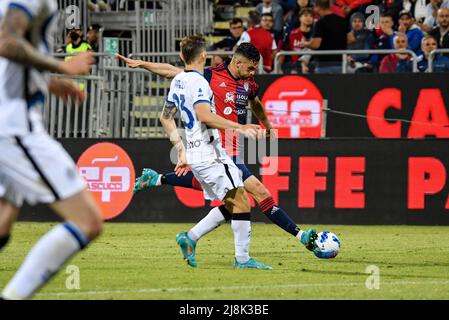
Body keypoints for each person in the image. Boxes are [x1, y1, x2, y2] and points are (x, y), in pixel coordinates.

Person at [116, 43, 318, 257]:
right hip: (215, 147)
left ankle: (164, 192)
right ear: (237, 62)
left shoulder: (247, 83)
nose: (253, 73)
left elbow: (256, 104)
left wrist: (267, 126)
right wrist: (142, 64)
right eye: (250, 68)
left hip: (232, 147)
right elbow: (172, 72)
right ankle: (299, 236)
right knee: (257, 191)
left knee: (234, 202)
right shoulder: (209, 76)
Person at [0, 0, 102, 300]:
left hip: (9, 118)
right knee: (88, 221)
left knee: (3, 218)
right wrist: (62, 66)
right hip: (15, 127)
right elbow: (6, 42)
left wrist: (49, 82)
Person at [159, 35, 271, 269]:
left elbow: (165, 116)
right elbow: (205, 116)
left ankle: (189, 238)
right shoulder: (200, 82)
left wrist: (180, 147)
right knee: (242, 202)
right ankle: (242, 260)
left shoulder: (180, 81)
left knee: (234, 202)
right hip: (212, 151)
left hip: (198, 151)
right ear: (204, 56)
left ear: (181, 57)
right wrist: (242, 127)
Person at [300, 0, 349, 74]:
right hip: (341, 64)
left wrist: (306, 43)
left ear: (318, 7)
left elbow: (316, 44)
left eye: (314, 7)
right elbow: (351, 39)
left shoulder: (320, 22)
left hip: (324, 65)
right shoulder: (342, 20)